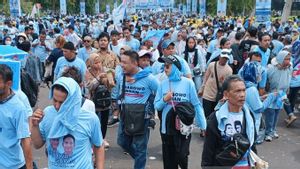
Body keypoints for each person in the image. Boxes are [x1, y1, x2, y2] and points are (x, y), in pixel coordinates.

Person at [31, 77, 105, 169]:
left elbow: (98, 146)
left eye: (62, 102)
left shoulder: (90, 118)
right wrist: (35, 125)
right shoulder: (48, 113)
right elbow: (37, 144)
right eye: (54, 100)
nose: (57, 106)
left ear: (73, 100)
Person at [154, 55, 206, 169]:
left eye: (167, 66)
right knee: (169, 162)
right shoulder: (162, 84)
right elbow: (157, 106)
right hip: (166, 128)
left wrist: (203, 126)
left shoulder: (188, 83)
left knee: (182, 157)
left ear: (176, 68)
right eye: (164, 66)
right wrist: (165, 99)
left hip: (183, 128)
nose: (165, 69)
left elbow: (196, 105)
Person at [112, 50, 158, 169]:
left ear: (135, 63)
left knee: (140, 147)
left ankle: (140, 163)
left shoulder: (149, 78)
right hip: (125, 115)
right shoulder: (121, 76)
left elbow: (160, 92)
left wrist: (153, 109)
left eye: (125, 62)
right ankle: (140, 158)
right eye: (121, 62)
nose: (122, 65)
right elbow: (119, 93)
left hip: (141, 117)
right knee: (122, 142)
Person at [201, 75, 256, 168]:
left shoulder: (249, 116)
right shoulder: (216, 118)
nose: (242, 94)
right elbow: (208, 150)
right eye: (238, 91)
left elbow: (252, 144)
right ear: (226, 94)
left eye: (244, 90)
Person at [0, 64, 33, 169]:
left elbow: (25, 140)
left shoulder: (18, 108)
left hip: (12, 165)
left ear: (9, 84)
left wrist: (29, 167)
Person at [264, 50, 292, 142]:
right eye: (286, 59)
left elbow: (289, 78)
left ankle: (273, 130)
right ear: (281, 59)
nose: (288, 61)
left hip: (282, 94)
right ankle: (268, 132)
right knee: (270, 113)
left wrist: (287, 91)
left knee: (277, 113)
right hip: (272, 93)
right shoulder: (271, 68)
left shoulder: (289, 68)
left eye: (289, 59)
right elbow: (266, 79)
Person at [85, 53, 111, 148]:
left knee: (104, 121)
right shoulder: (88, 72)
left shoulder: (104, 70)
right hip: (93, 100)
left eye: (99, 62)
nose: (98, 64)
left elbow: (110, 85)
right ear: (91, 63)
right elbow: (89, 86)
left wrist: (108, 79)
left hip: (105, 99)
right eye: (95, 62)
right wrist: (98, 78)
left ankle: (102, 138)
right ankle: (93, 139)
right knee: (93, 120)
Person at [199, 49, 233, 117]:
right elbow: (206, 78)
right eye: (223, 58)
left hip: (218, 96)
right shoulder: (212, 65)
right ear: (220, 56)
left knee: (214, 115)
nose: (224, 60)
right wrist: (201, 89)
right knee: (206, 114)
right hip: (207, 94)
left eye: (226, 58)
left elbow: (227, 85)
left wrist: (225, 96)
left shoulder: (229, 70)